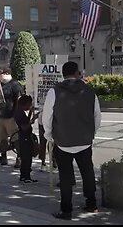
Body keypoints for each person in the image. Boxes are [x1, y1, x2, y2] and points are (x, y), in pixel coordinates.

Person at [42, 61, 101, 220]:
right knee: (87, 172)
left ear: (63, 74)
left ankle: (66, 210)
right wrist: (91, 134)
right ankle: (91, 203)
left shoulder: (54, 92)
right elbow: (97, 116)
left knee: (66, 176)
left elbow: (47, 116)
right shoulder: (89, 91)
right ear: (77, 72)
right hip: (85, 139)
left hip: (63, 141)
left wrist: (49, 135)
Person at [0, 68, 23, 167]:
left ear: (6, 74)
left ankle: (19, 158)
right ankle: (3, 157)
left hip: (11, 116)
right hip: (0, 115)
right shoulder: (0, 85)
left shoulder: (15, 84)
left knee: (15, 138)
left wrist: (16, 114)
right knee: (2, 138)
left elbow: (19, 99)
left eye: (1, 74)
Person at [14, 95, 38, 183]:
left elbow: (26, 121)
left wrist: (31, 114)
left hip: (25, 136)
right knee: (26, 157)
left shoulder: (20, 112)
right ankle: (26, 175)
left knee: (26, 156)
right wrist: (32, 120)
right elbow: (24, 126)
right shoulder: (19, 113)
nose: (30, 106)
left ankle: (24, 175)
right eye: (29, 104)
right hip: (24, 137)